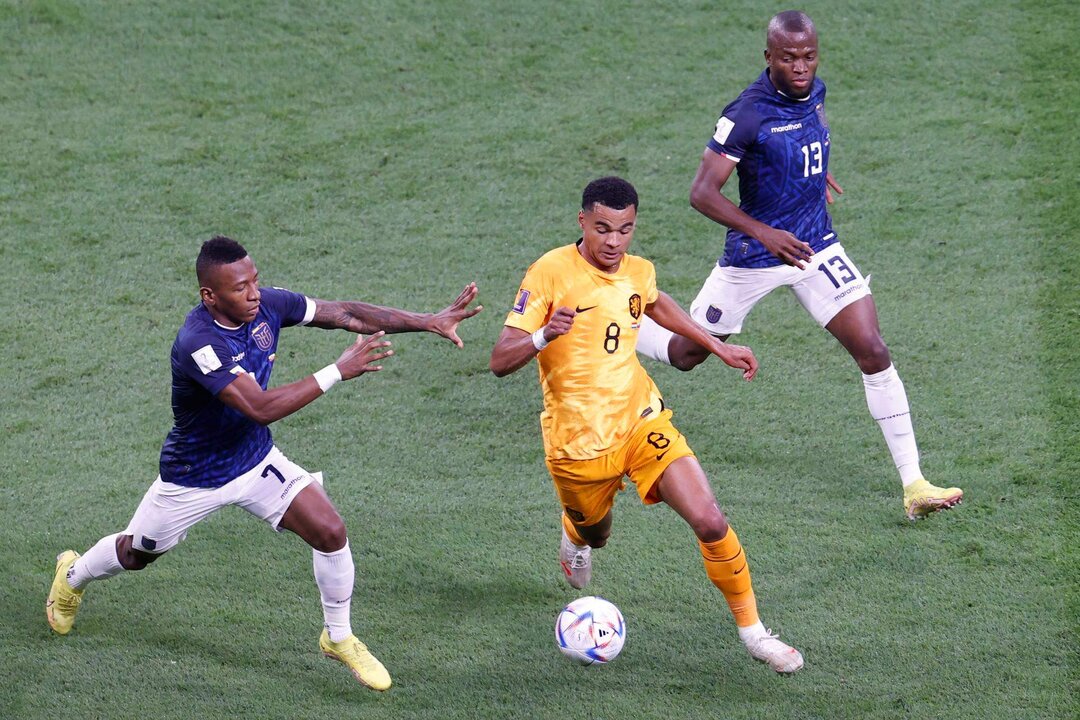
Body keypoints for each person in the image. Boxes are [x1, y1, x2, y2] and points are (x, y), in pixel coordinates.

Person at [46, 236, 483, 691]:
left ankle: (339, 637)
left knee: (330, 531)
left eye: (255, 280)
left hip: (254, 460)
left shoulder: (266, 306)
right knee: (137, 553)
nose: (254, 293)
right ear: (209, 296)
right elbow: (259, 407)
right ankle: (72, 575)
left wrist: (427, 321)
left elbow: (345, 313)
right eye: (240, 288)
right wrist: (337, 370)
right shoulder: (199, 342)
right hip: (195, 476)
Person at [636, 10, 962, 521]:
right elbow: (701, 193)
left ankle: (914, 484)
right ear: (769, 58)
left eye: (809, 56)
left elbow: (812, 129)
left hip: (815, 246)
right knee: (685, 354)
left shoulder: (817, 91)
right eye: (789, 58)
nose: (801, 67)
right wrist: (764, 232)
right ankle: (607, 322)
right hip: (756, 255)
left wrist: (814, 172)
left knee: (873, 349)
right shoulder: (746, 113)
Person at [490, 176, 803, 674]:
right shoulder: (549, 273)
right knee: (597, 536)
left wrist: (717, 346)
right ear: (582, 222)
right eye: (602, 229)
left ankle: (755, 634)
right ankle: (575, 534)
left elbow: (654, 301)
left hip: (641, 421)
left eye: (625, 230)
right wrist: (543, 335)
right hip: (578, 446)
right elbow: (499, 360)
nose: (614, 242)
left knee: (710, 519)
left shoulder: (638, 270)